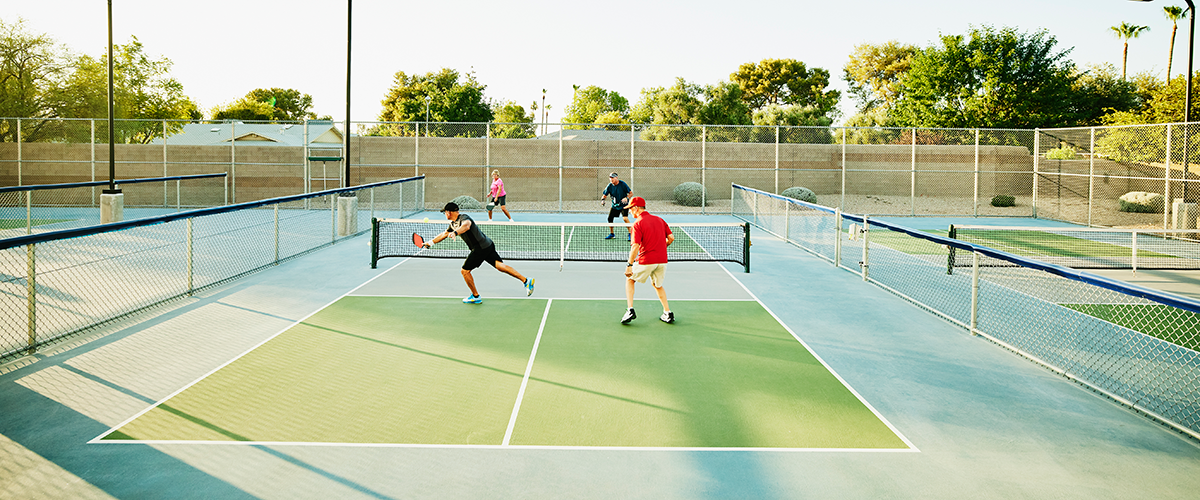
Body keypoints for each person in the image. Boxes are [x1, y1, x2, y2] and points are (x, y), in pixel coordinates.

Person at [422, 201, 534, 303]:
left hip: (480, 248)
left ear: (449, 212)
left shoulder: (464, 218)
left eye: (445, 212)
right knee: (500, 266)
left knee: (465, 271)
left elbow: (466, 226)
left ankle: (475, 297)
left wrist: (455, 233)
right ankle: (526, 280)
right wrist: (429, 243)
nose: (445, 214)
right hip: (487, 244)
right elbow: (444, 234)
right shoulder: (453, 224)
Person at [621, 196, 674, 324]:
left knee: (630, 279)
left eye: (630, 209)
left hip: (647, 260)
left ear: (636, 208)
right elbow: (671, 238)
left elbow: (635, 246)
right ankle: (667, 312)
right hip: (662, 261)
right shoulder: (660, 220)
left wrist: (629, 265)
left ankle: (630, 310)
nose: (630, 212)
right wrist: (662, 247)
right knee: (657, 285)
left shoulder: (638, 223)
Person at [600, 172, 633, 240]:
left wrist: (626, 198)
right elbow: (604, 195)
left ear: (616, 178)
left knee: (625, 218)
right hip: (615, 206)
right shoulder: (610, 186)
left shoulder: (622, 184)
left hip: (624, 205)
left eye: (612, 178)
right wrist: (603, 200)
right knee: (610, 219)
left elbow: (631, 193)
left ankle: (630, 233)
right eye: (610, 178)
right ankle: (612, 234)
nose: (611, 179)